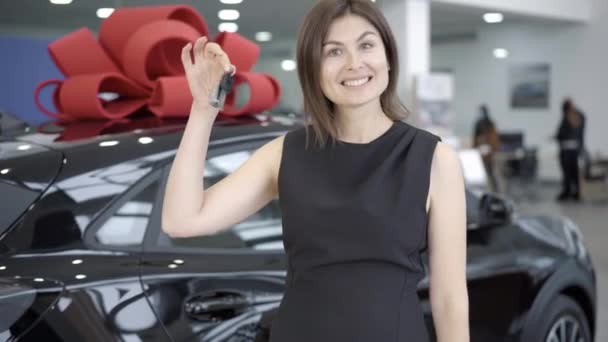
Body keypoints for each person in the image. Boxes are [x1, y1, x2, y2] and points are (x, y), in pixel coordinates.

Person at [161, 1, 469, 341]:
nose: (354, 63)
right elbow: (182, 219)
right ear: (313, 67)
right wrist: (204, 110)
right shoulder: (286, 154)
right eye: (333, 51)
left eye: (366, 45)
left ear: (388, 56)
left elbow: (450, 299)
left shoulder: (434, 159)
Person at [554, 98, 586, 201]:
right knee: (570, 172)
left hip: (570, 150)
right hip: (570, 149)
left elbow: (561, 134)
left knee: (572, 173)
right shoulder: (575, 117)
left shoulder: (575, 117)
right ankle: (571, 192)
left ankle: (572, 192)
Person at [472, 104, 501, 192]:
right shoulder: (477, 124)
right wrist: (475, 148)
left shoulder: (490, 124)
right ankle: (480, 190)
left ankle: (496, 190)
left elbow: (494, 139)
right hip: (479, 151)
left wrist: (490, 148)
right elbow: (475, 138)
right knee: (480, 173)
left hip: (489, 153)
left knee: (490, 172)